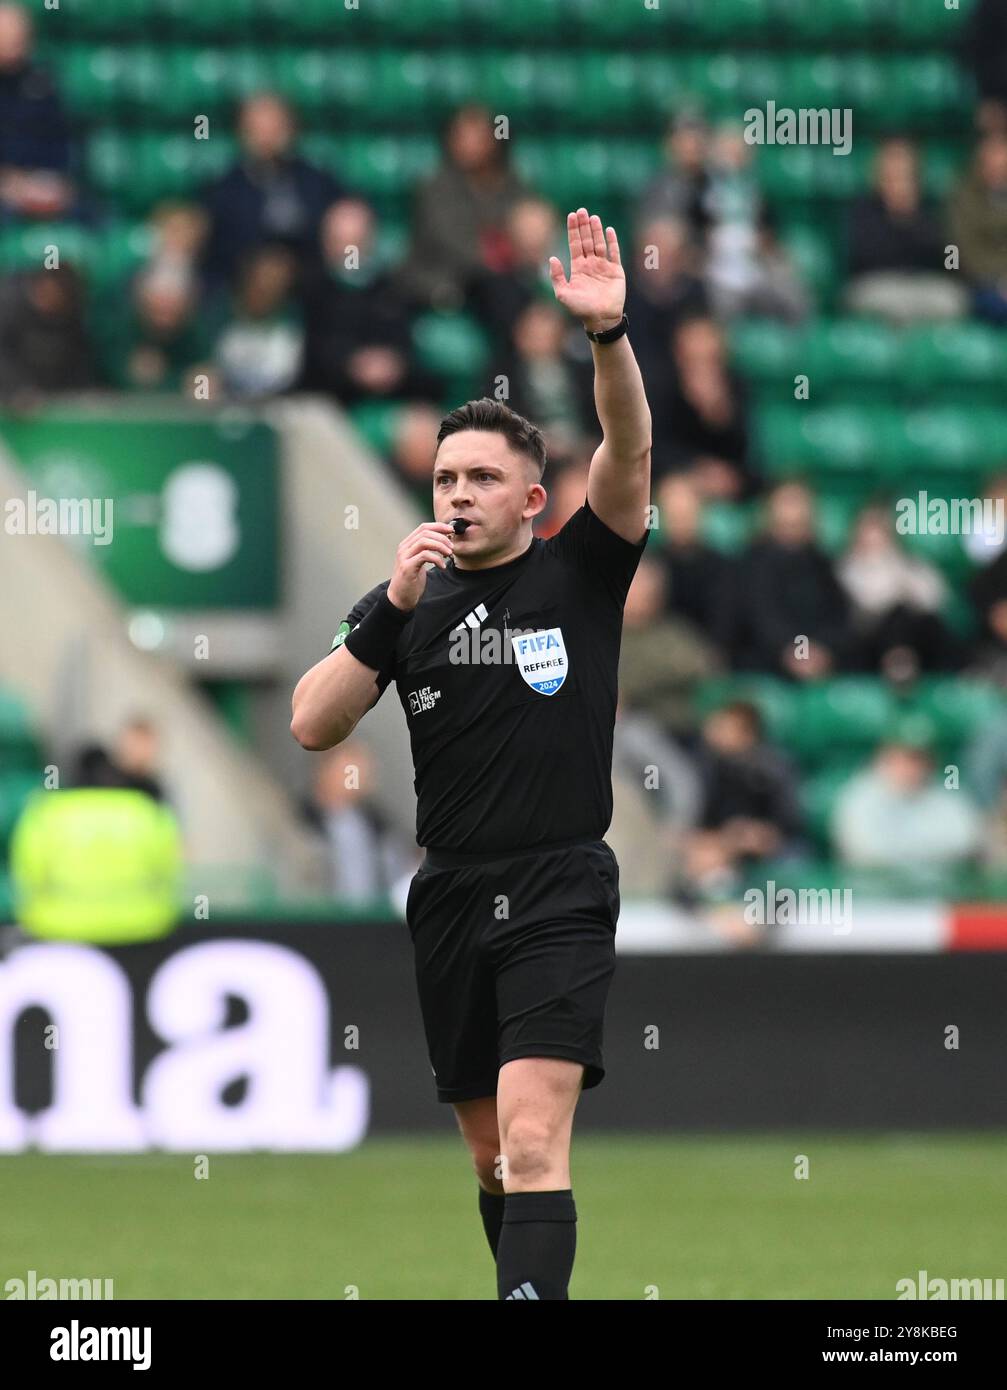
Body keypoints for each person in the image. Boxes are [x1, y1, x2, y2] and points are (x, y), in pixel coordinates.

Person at [291, 208, 651, 1301]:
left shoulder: (579, 571)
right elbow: (313, 720)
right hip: (448, 893)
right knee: (496, 1159)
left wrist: (604, 339)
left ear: (531, 498)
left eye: (481, 479)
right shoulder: (410, 598)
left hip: (556, 883)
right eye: (445, 478)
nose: (456, 495)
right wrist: (390, 608)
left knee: (538, 1142)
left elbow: (628, 450)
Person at [200, 92, 350, 292]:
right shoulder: (223, 189)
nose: (267, 139)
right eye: (259, 130)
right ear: (243, 133)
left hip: (312, 289)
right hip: (240, 289)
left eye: (275, 130)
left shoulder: (317, 182)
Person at [845, 137, 966, 324]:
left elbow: (951, 259)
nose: (897, 181)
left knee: (950, 300)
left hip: (924, 283)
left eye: (903, 174)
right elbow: (862, 257)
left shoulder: (930, 210)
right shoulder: (863, 210)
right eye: (890, 174)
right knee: (893, 306)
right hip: (879, 283)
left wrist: (911, 221)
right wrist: (896, 220)